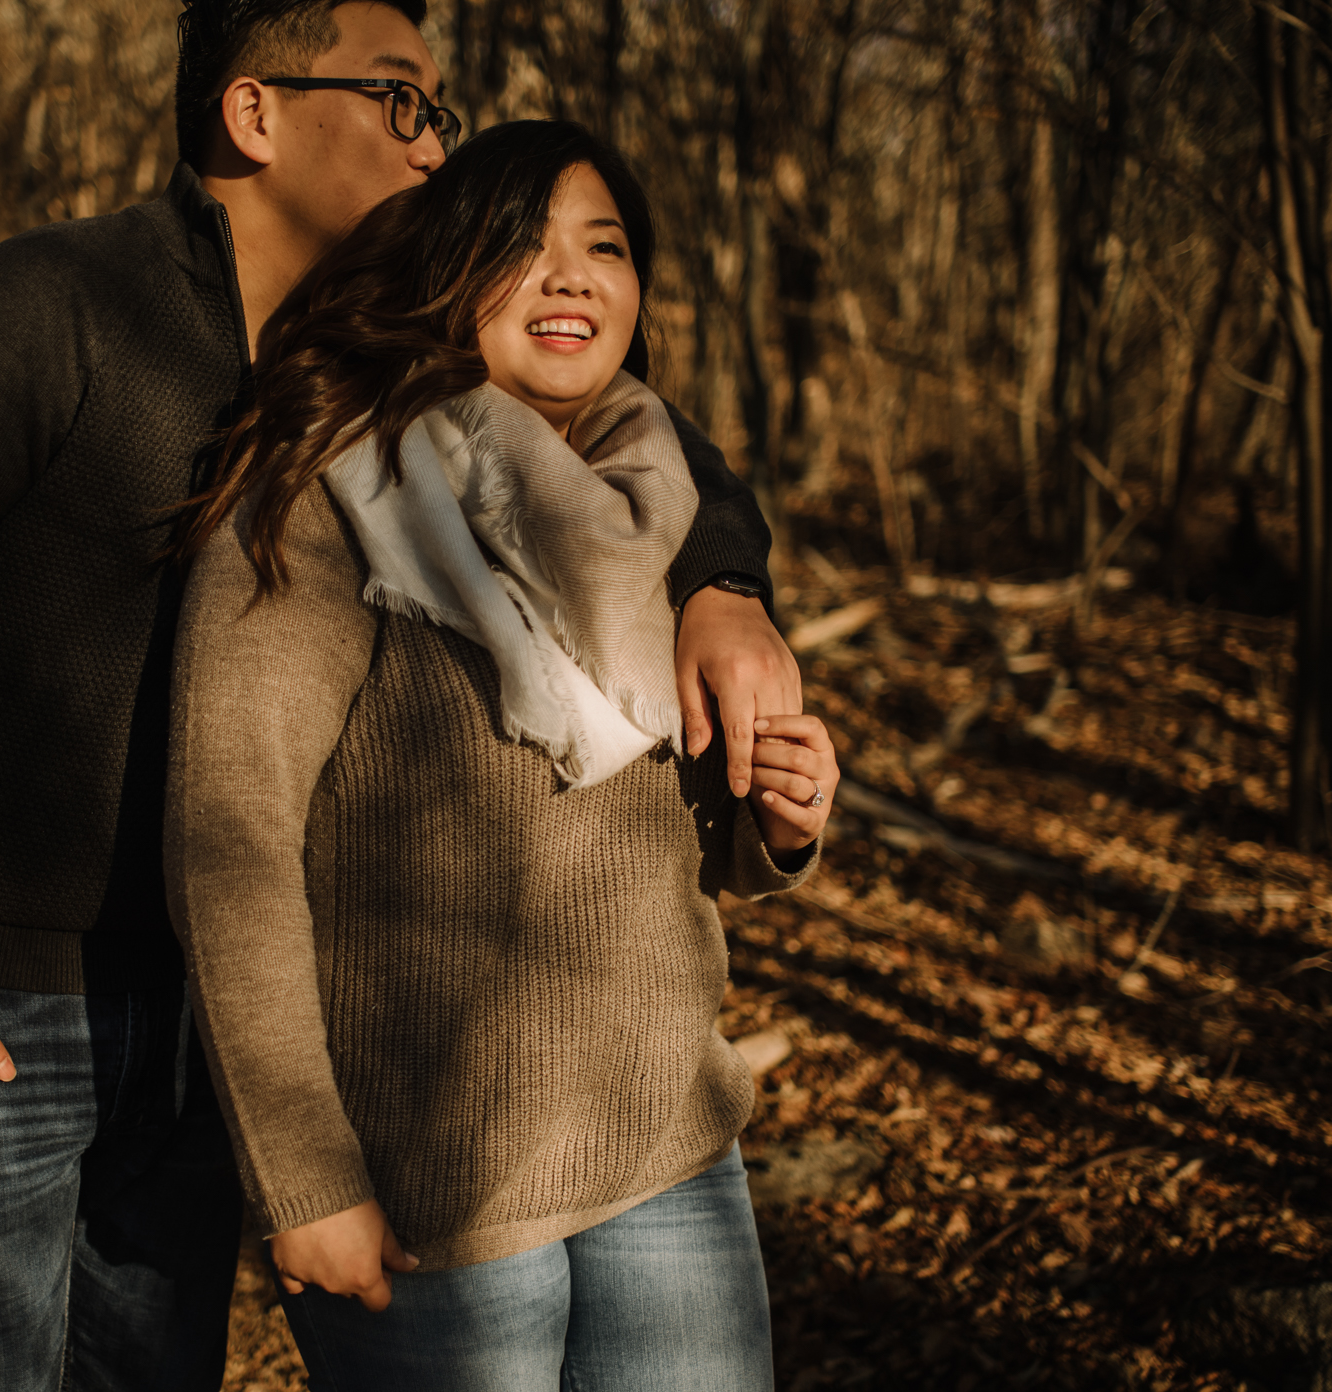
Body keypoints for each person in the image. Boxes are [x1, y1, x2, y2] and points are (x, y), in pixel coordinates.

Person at [0, 0, 798, 1386]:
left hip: (202, 1011)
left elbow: (640, 442)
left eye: (439, 109)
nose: (435, 146)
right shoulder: (53, 311)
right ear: (254, 115)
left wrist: (724, 577)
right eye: (400, 102)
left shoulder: (391, 354)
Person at [165, 118, 838, 1391]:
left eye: (606, 247)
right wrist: (301, 1174)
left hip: (673, 1153)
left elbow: (690, 846)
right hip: (442, 1199)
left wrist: (781, 824)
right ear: (444, 271)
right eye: (521, 248)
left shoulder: (669, 507)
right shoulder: (325, 492)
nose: (573, 276)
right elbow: (228, 833)